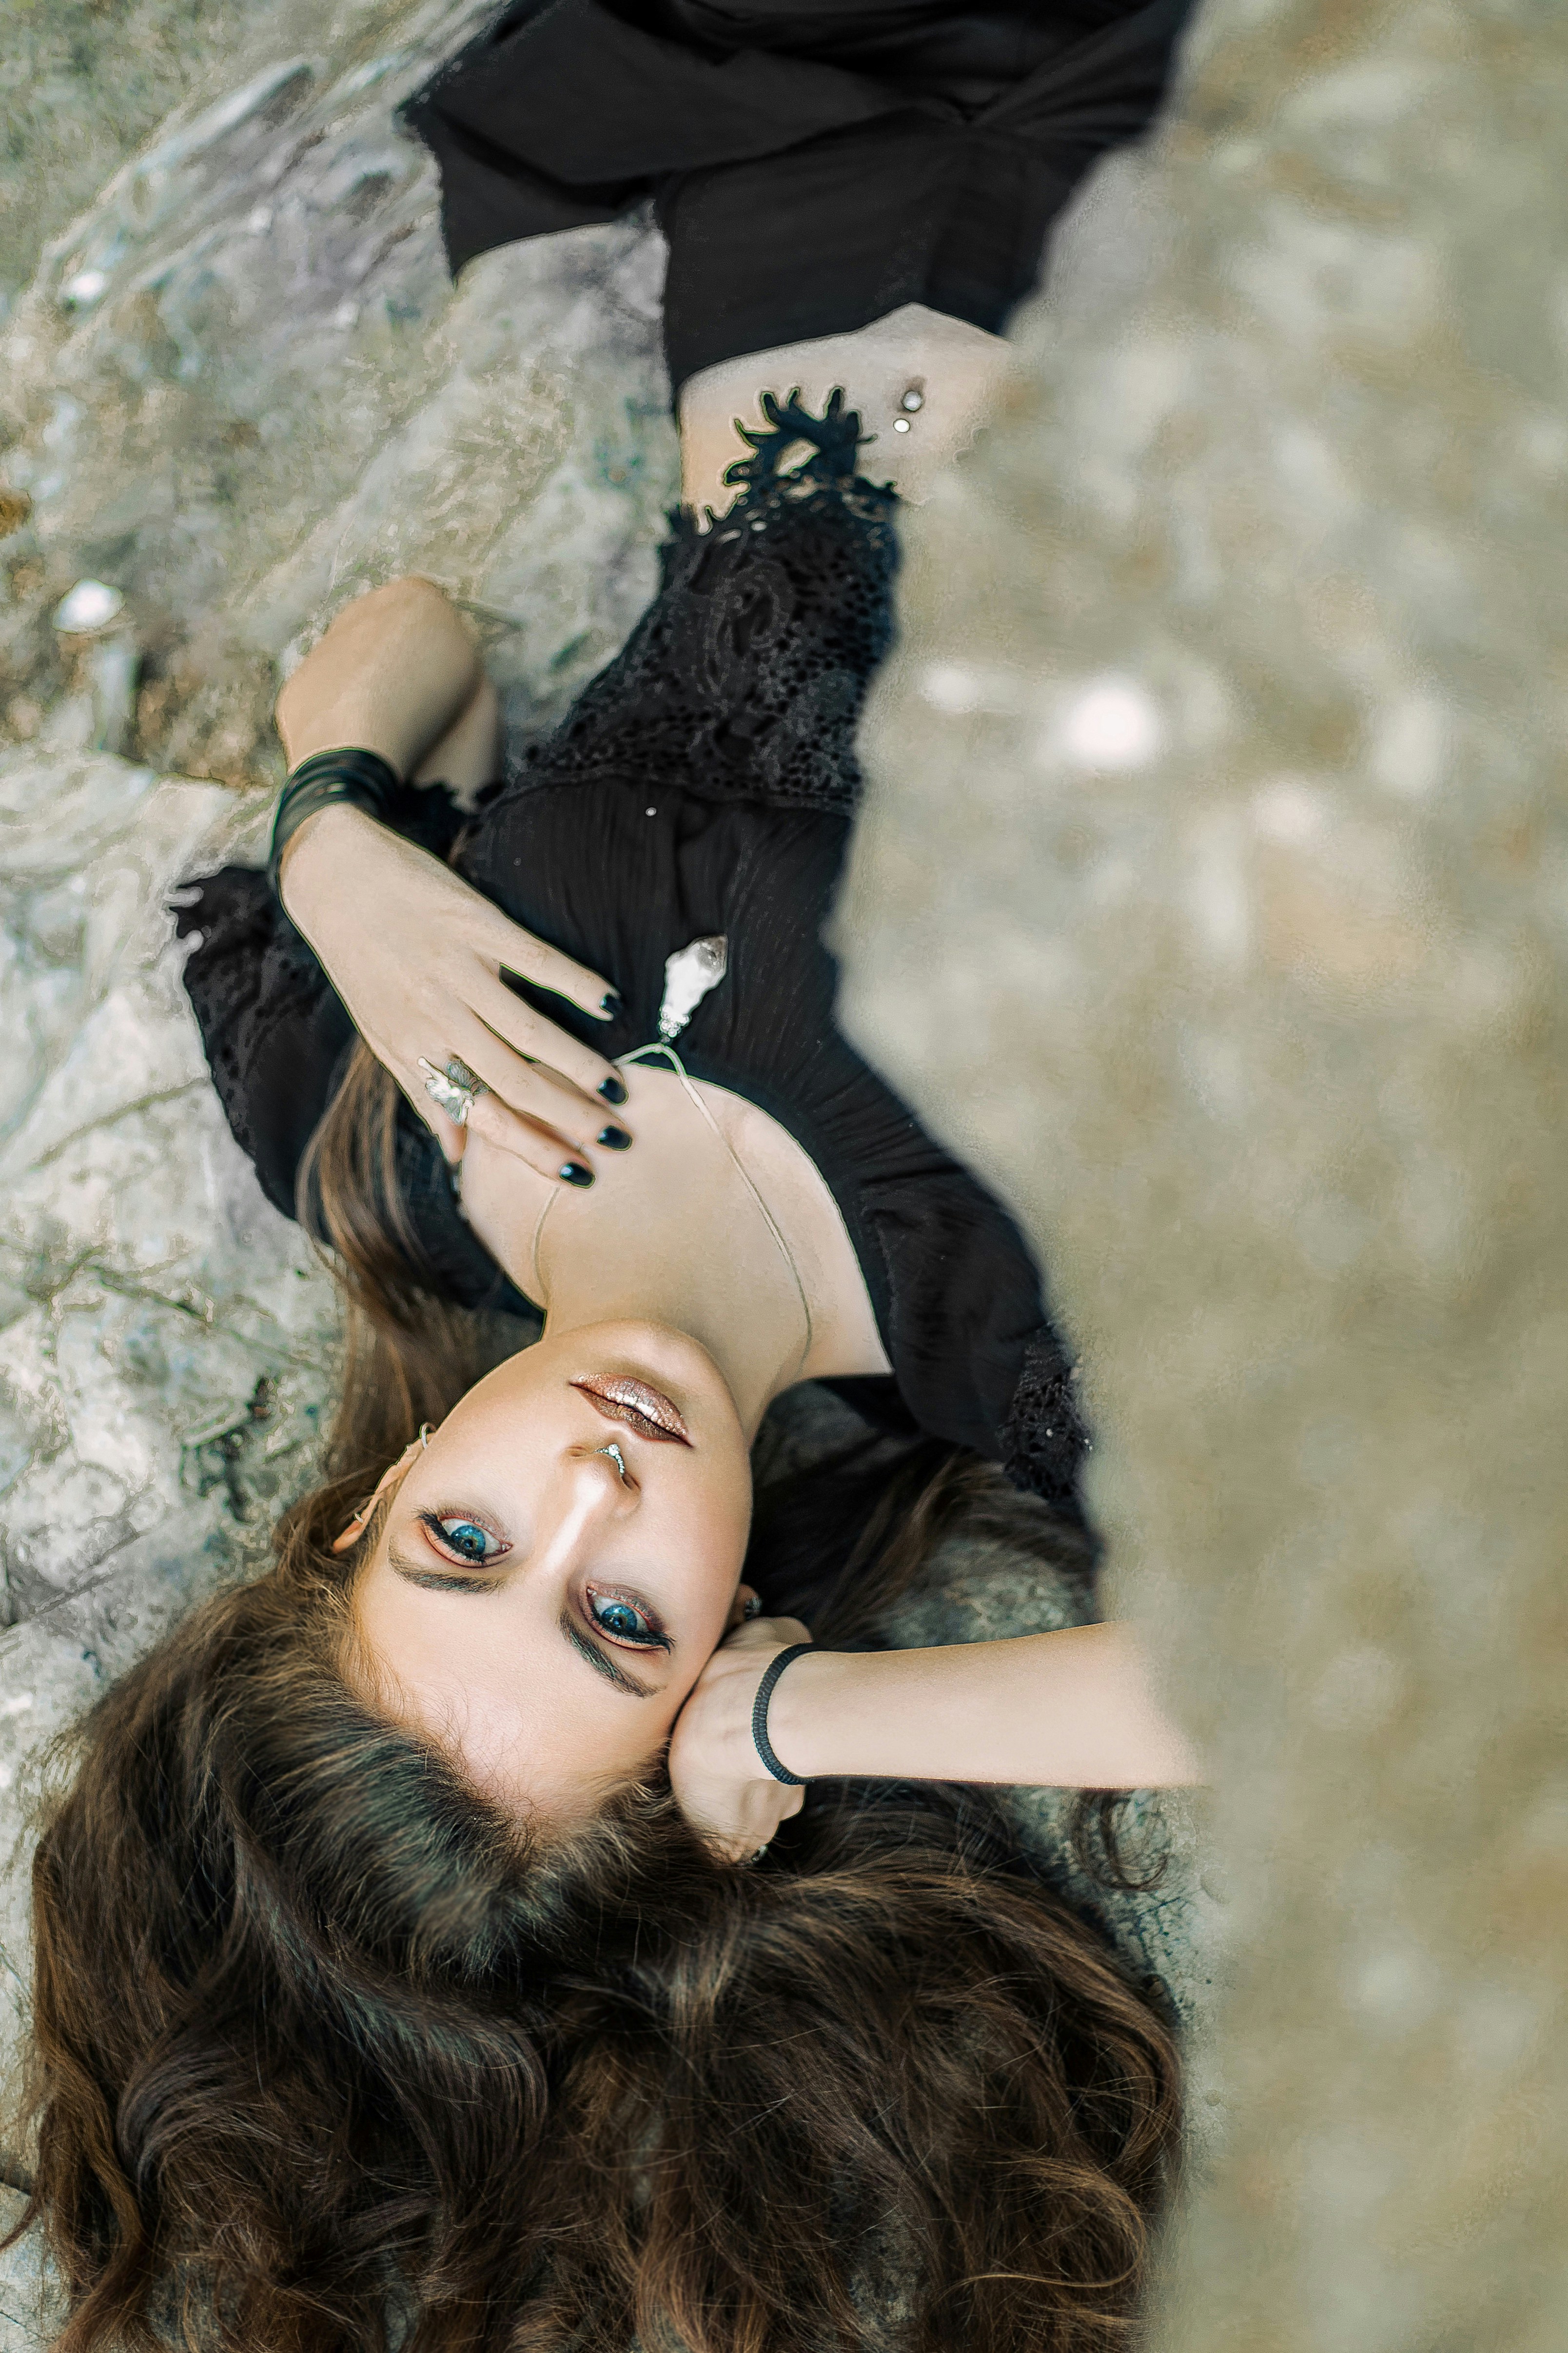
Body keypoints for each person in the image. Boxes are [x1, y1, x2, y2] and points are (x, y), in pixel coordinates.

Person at [7, 8, 1203, 2350]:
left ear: (350, 1510)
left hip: (799, 171)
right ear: (715, 1659)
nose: (596, 1485)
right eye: (624, 1619)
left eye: (468, 1545)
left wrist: (338, 828)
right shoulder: (1017, 1328)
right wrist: (789, 1729)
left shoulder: (363, 1138)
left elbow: (417, 647)